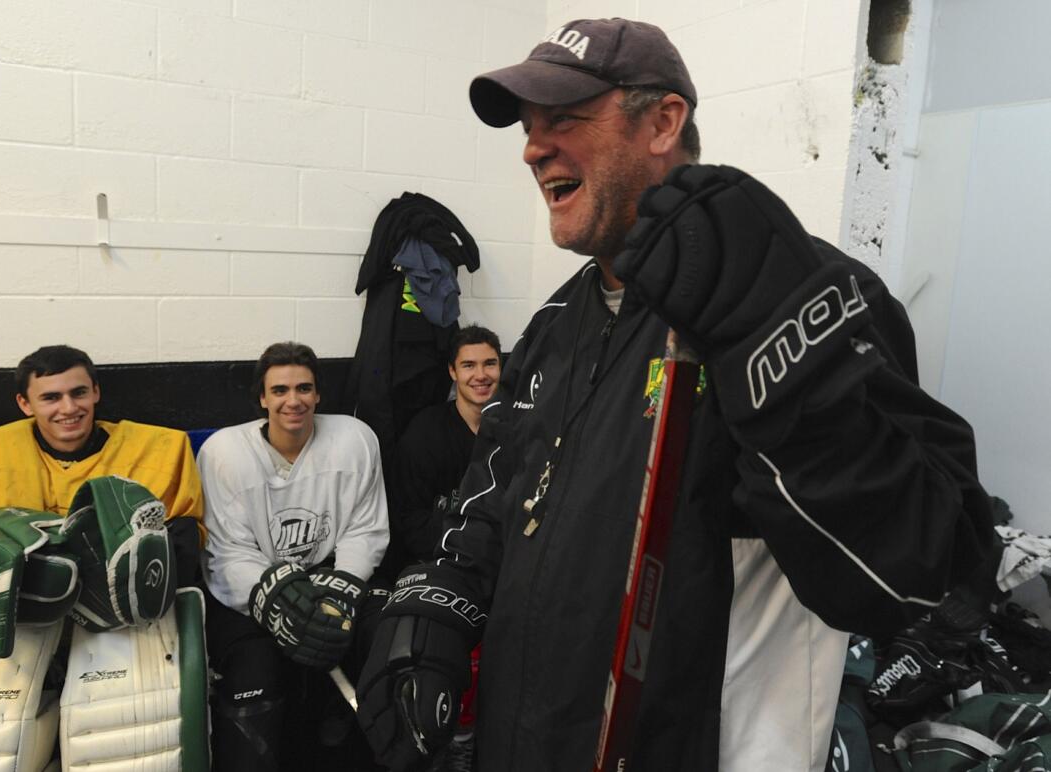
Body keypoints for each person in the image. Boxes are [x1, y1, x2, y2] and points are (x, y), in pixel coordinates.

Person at [356, 17, 993, 772]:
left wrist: (777, 363)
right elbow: (493, 492)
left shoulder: (806, 293)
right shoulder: (557, 321)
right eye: (529, 129)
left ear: (663, 122)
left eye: (563, 119)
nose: (532, 148)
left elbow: (924, 569)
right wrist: (437, 602)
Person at [199, 341, 389, 771]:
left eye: (304, 388)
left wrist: (344, 588)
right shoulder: (224, 453)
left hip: (329, 577)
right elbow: (229, 550)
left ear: (318, 394)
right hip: (254, 590)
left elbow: (365, 527)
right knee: (256, 674)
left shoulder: (355, 440)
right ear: (262, 398)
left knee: (384, 641)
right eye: (280, 390)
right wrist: (282, 597)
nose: (293, 400)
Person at [0, 344, 205, 603]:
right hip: (17, 611)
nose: (69, 407)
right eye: (51, 398)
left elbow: (183, 539)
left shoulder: (161, 449)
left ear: (96, 392)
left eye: (79, 392)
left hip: (118, 612)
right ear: (25, 403)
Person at [383, 323, 502, 579]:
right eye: (468, 365)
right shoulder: (425, 433)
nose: (481, 375)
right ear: (452, 371)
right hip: (441, 564)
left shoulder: (518, 430)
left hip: (501, 564)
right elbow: (409, 521)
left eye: (490, 364)